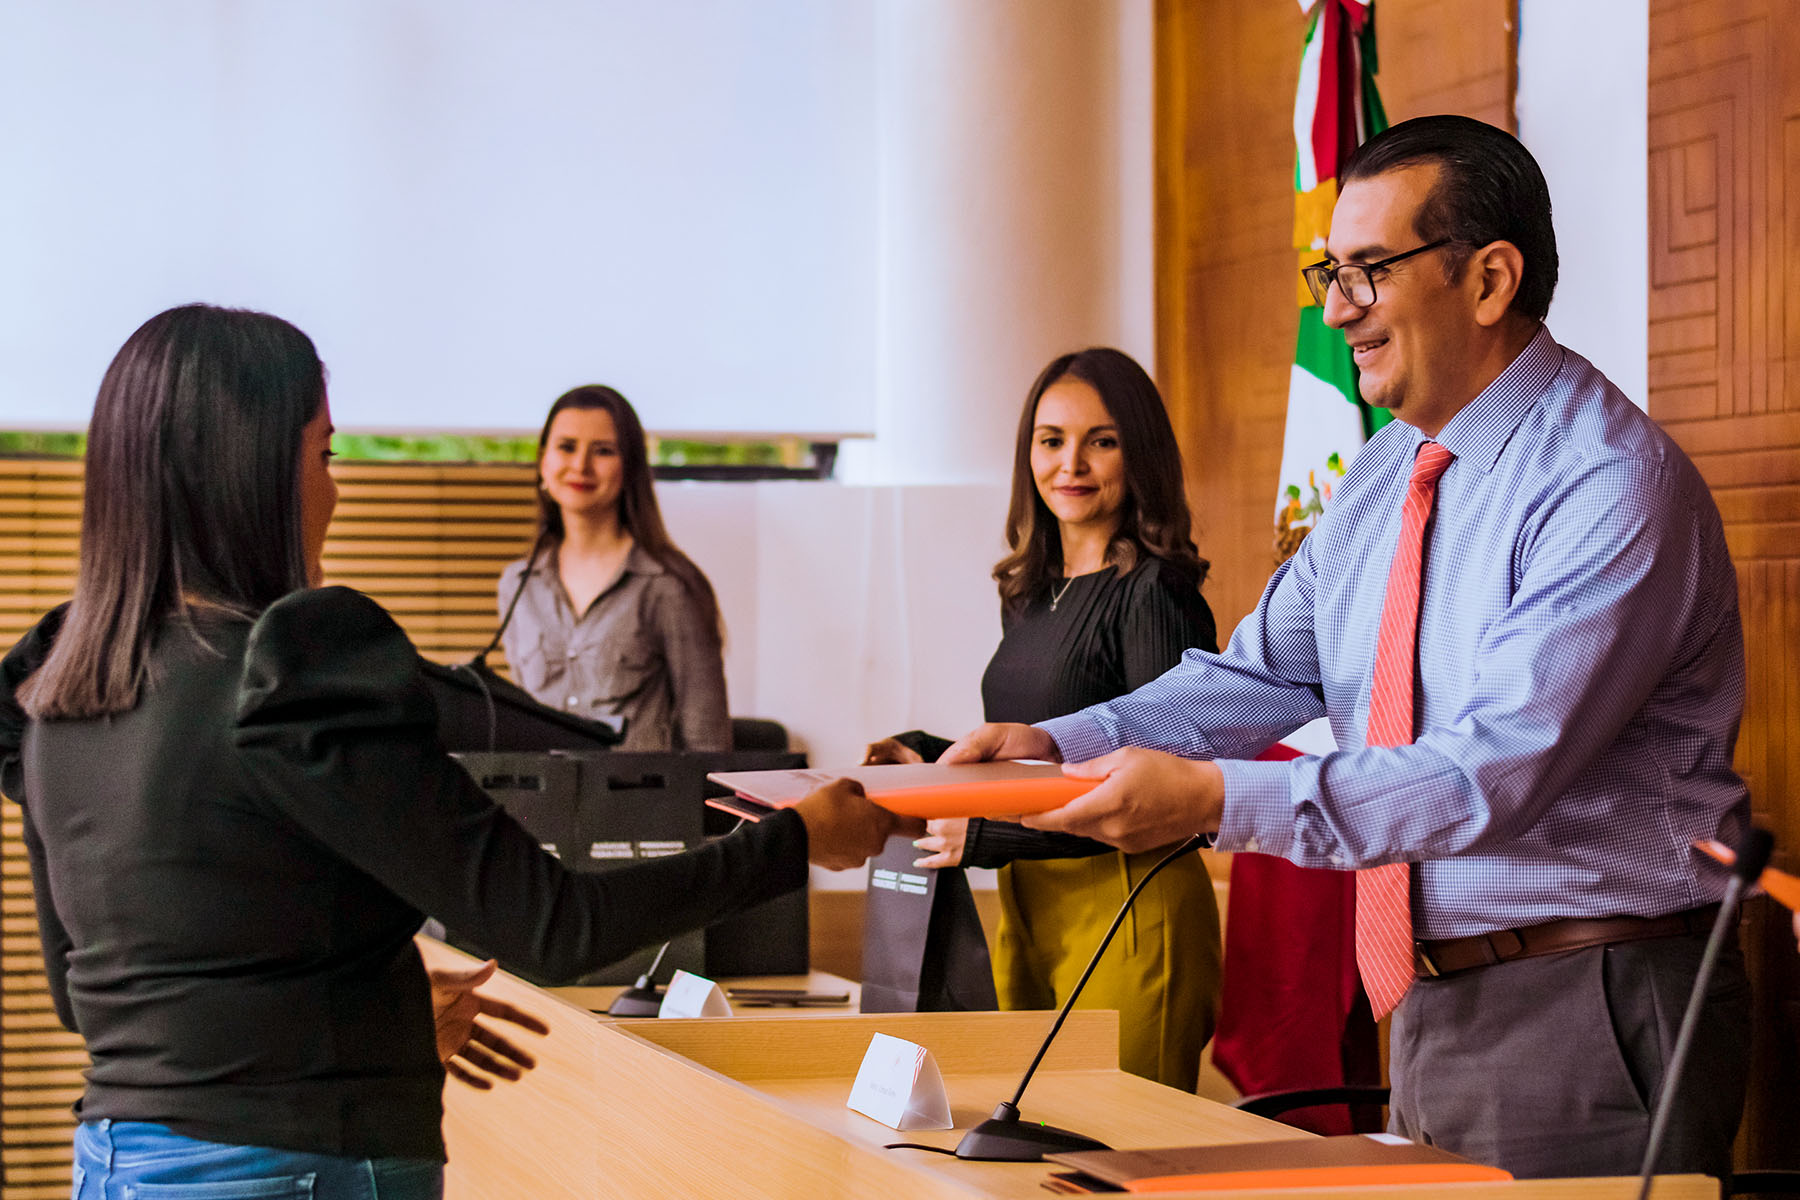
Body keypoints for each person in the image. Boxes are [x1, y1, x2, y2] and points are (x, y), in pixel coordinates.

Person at [942, 115, 1752, 1180]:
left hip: (1586, 996)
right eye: (1332, 271)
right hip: (1429, 996)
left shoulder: (1605, 482)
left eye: (1368, 270)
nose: (1336, 309)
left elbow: (1487, 775)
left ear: (1490, 279)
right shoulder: (1384, 477)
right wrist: (1055, 748)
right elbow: (1257, 677)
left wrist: (1211, 801)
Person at [0, 304, 908, 1199]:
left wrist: (376, 1009)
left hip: (119, 1164)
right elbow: (555, 927)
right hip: (296, 1167)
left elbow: (97, 1001)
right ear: (255, 472)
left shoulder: (62, 689)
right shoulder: (293, 670)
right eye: (323, 455)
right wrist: (792, 841)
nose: (334, 488)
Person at [865, 347, 1222, 1091]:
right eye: (1051, 439)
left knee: (1120, 1157)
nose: (1072, 463)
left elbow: (1163, 790)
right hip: (1029, 899)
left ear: (1140, 453)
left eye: (1103, 440)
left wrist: (986, 831)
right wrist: (927, 757)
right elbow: (1043, 739)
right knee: (1036, 1158)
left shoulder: (1157, 593)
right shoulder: (1030, 591)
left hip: (1129, 901)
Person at [497, 385, 730, 751]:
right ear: (543, 461)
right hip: (543, 804)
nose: (580, 466)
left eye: (603, 451)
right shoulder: (517, 585)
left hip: (639, 805)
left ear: (630, 466)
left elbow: (707, 740)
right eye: (566, 447)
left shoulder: (669, 584)